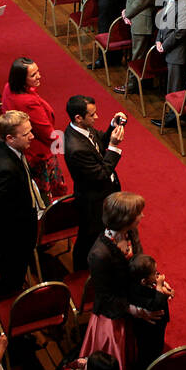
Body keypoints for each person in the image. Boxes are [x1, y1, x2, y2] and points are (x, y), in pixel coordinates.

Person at [79, 192, 156, 370]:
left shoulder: (130, 232)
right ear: (124, 219)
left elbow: (139, 265)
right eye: (138, 213)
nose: (142, 216)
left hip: (132, 303)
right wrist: (136, 311)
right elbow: (106, 298)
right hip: (113, 318)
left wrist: (155, 282)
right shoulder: (99, 255)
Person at [0, 110, 45, 300]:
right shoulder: (5, 167)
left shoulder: (6, 149)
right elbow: (4, 209)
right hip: (16, 235)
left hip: (21, 226)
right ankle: (9, 312)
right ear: (10, 138)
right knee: (13, 278)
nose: (32, 136)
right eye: (26, 133)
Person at [63, 95, 124, 270]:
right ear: (78, 118)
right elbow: (102, 174)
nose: (96, 117)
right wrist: (114, 147)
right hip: (92, 201)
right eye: (92, 115)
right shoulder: (76, 148)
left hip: (100, 194)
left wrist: (112, 125)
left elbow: (99, 142)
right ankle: (81, 273)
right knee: (89, 239)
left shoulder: (82, 129)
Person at [1, 57, 68, 200]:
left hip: (22, 147)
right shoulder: (28, 102)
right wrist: (63, 144)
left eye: (38, 71)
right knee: (45, 193)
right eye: (33, 75)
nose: (39, 76)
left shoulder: (9, 87)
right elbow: (46, 132)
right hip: (38, 153)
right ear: (21, 79)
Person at [118, 0, 160, 95]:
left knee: (138, 55)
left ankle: (131, 85)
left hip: (142, 20)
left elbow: (143, 0)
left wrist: (127, 13)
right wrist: (126, 12)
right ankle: (143, 84)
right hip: (134, 16)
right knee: (137, 53)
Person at [149, 0, 186, 128]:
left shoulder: (185, 4)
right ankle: (175, 116)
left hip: (177, 53)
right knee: (173, 86)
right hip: (170, 49)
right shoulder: (170, 0)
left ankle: (172, 119)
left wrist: (164, 45)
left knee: (174, 89)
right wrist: (158, 39)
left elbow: (180, 32)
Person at [128, 253, 174, 370]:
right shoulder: (141, 293)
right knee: (150, 353)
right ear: (144, 281)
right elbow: (156, 304)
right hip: (150, 328)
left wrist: (163, 288)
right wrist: (159, 286)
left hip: (151, 327)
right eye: (155, 273)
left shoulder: (138, 285)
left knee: (150, 350)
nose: (158, 275)